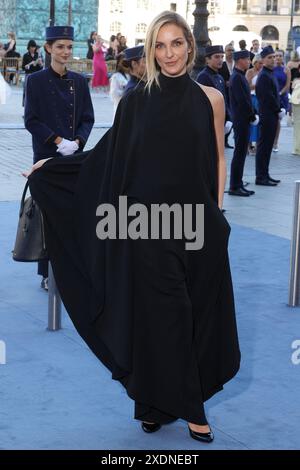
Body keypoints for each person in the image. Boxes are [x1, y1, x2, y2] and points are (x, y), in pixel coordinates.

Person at [24, 11, 240, 442]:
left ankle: (152, 403)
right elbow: (106, 158)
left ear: (189, 47)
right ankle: (192, 409)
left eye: (176, 43)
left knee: (192, 315)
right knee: (166, 314)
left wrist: (218, 211)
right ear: (151, 53)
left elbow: (218, 157)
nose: (169, 53)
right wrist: (54, 168)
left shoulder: (210, 98)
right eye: (160, 46)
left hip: (198, 226)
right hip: (147, 228)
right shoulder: (136, 102)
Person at [24, 25, 94, 290]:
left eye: (69, 46)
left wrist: (77, 141)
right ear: (48, 48)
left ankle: (71, 266)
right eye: (60, 46)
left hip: (73, 156)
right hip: (47, 157)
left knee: (73, 213)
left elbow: (88, 117)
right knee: (47, 215)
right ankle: (46, 273)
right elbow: (31, 119)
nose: (66, 51)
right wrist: (56, 141)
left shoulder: (79, 81)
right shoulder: (36, 81)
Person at [228, 50, 258, 197]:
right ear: (239, 60)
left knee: (241, 153)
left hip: (242, 119)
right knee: (239, 153)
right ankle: (234, 185)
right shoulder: (237, 78)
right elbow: (243, 101)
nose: (249, 62)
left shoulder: (239, 76)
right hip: (241, 120)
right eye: (246, 59)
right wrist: (252, 116)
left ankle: (238, 183)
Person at [255, 46, 283, 186]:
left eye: (274, 57)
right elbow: (267, 97)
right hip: (267, 115)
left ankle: (265, 174)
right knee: (264, 146)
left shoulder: (269, 73)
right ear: (263, 60)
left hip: (271, 114)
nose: (273, 59)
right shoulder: (264, 75)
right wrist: (278, 109)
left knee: (267, 146)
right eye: (270, 57)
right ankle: (261, 177)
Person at [197, 45, 233, 149]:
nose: (220, 60)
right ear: (207, 59)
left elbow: (224, 100)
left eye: (222, 57)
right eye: (217, 57)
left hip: (220, 122)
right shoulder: (203, 76)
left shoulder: (219, 77)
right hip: (209, 124)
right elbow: (203, 103)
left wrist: (229, 118)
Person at [273, 50, 291, 152]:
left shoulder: (286, 69)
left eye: (280, 56)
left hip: (281, 97)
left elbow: (288, 85)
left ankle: (275, 142)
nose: (278, 57)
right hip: (271, 96)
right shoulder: (271, 69)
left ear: (283, 57)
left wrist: (279, 93)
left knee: (278, 120)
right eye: (276, 56)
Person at [246, 54, 263, 154]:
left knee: (260, 122)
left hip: (260, 98)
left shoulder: (263, 72)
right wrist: (258, 85)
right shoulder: (250, 71)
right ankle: (248, 146)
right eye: (259, 63)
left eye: (262, 63)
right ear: (255, 62)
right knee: (251, 121)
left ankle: (257, 145)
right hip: (252, 98)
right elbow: (247, 86)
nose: (261, 65)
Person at [22, 40, 43, 106]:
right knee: (26, 91)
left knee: (37, 92)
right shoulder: (25, 55)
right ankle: (25, 107)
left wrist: (40, 64)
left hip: (37, 75)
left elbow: (41, 67)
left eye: (34, 47)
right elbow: (23, 67)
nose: (33, 49)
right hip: (28, 74)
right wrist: (27, 66)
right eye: (31, 47)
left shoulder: (38, 55)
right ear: (29, 47)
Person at [109, 52, 129, 117]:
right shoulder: (116, 77)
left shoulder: (130, 75)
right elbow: (114, 94)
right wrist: (126, 92)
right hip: (120, 106)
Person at [290, 78, 300, 156]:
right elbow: (293, 94)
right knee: (297, 127)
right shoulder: (296, 80)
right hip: (297, 105)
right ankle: (297, 148)